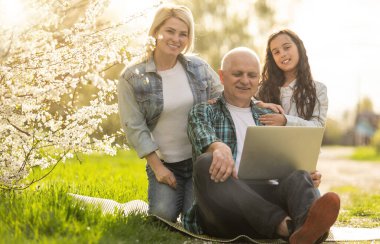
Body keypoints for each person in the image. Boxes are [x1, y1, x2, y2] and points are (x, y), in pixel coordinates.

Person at [183, 47, 340, 243]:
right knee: (205, 164)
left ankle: (301, 231)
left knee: (298, 175)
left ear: (258, 80)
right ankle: (290, 227)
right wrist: (217, 147)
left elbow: (283, 163)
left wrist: (305, 175)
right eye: (237, 74)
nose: (245, 80)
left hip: (265, 199)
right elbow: (201, 134)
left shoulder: (267, 116)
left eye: (252, 75)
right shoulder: (204, 110)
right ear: (222, 76)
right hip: (225, 209)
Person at [117, 4, 223, 222]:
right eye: (170, 31)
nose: (176, 39)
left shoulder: (198, 68)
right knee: (162, 217)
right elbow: (134, 126)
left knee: (195, 219)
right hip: (165, 163)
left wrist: (258, 104)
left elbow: (226, 96)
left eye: (183, 34)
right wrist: (157, 169)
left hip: (198, 160)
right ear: (156, 31)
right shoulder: (132, 77)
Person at [257, 29, 328, 128]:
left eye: (286, 47)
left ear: (299, 48)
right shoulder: (262, 90)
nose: (282, 54)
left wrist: (286, 121)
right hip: (268, 143)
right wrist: (259, 104)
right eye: (276, 52)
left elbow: (318, 126)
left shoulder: (318, 89)